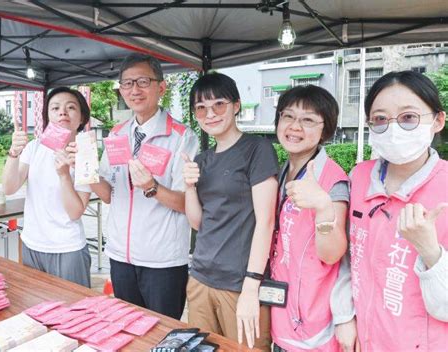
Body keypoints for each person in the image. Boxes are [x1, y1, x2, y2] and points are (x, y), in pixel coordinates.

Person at [81, 53, 199, 319]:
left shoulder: (181, 137)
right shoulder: (117, 133)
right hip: (121, 257)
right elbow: (108, 195)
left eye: (143, 81)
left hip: (163, 261)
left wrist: (152, 187)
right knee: (128, 333)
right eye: (127, 84)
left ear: (161, 87)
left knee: (163, 336)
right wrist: (84, 170)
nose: (135, 90)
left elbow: (186, 204)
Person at [346, 70, 448, 350]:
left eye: (408, 118)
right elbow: (347, 259)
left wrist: (430, 252)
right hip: (363, 340)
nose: (393, 129)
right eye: (380, 119)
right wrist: (345, 317)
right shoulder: (359, 178)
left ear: (438, 120)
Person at [182, 73, 279, 351]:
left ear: (236, 106)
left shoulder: (257, 149)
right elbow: (198, 223)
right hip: (200, 278)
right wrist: (189, 186)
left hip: (239, 283)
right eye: (201, 108)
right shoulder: (203, 158)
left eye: (219, 105)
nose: (210, 114)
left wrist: (251, 286)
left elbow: (266, 222)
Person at [270, 85, 357, 351]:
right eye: (288, 116)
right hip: (280, 312)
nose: (295, 126)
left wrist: (323, 206)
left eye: (308, 120)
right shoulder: (282, 170)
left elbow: (332, 254)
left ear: (325, 130)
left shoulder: (333, 180)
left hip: (313, 324)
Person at [2, 87, 92, 287]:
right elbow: (9, 188)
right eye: (55, 108)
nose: (63, 112)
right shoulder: (35, 147)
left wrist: (64, 175)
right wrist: (14, 154)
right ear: (48, 116)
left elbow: (76, 212)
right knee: (36, 309)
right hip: (31, 245)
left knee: (73, 313)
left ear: (82, 117)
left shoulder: (86, 155)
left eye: (71, 107)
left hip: (67, 249)